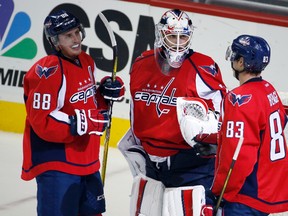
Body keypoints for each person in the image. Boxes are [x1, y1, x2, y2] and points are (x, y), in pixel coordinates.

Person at [119, 9, 227, 215]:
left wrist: (214, 141)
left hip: (190, 165)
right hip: (150, 164)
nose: (178, 42)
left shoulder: (203, 67)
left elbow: (223, 113)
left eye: (183, 36)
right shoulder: (141, 63)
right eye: (172, 35)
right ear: (161, 34)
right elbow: (136, 110)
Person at [21, 10, 125, 216]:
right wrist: (84, 122)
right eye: (68, 35)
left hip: (86, 160)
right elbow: (42, 121)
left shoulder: (86, 61)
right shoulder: (47, 70)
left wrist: (105, 93)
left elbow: (89, 104)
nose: (76, 39)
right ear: (55, 41)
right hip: (57, 164)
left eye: (77, 32)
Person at [210, 35, 288, 215]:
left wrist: (220, 192)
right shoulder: (269, 89)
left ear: (240, 62)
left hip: (245, 196)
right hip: (266, 191)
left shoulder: (239, 99)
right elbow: (281, 120)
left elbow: (237, 155)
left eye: (235, 56)